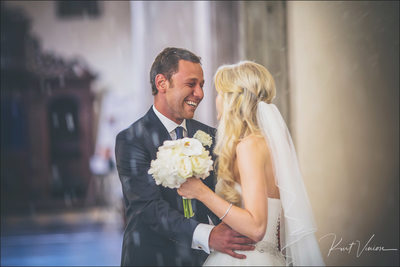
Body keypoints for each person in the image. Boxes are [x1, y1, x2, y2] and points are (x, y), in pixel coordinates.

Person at [115, 48, 255, 266]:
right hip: (150, 258)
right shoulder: (131, 140)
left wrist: (239, 231)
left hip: (202, 260)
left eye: (202, 85)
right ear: (162, 83)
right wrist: (208, 236)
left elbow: (222, 195)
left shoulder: (211, 136)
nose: (199, 94)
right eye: (191, 84)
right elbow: (148, 208)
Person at [178, 61, 325, 266]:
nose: (216, 99)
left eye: (221, 93)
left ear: (233, 99)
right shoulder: (267, 145)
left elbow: (256, 227)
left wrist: (201, 192)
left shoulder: (249, 146)